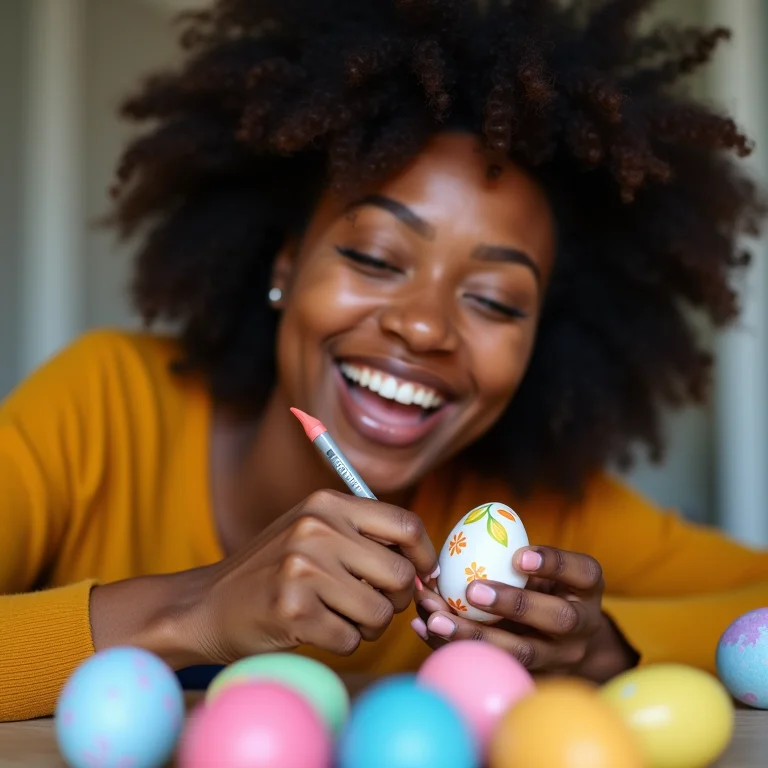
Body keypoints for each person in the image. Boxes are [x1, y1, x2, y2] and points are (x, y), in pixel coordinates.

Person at [2, 0, 767, 723]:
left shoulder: (533, 513)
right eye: (374, 257)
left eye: (496, 301)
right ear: (285, 265)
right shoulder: (105, 407)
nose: (426, 326)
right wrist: (188, 612)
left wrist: (603, 649)